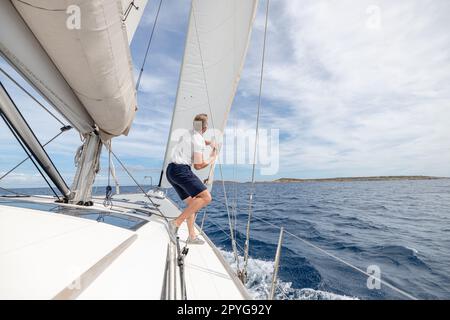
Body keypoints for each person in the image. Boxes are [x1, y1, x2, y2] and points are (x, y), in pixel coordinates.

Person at [166, 113, 217, 244]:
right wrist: (212, 158)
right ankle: (175, 223)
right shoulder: (198, 139)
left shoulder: (187, 133)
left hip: (171, 171)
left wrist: (209, 142)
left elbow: (197, 141)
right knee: (206, 197)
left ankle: (192, 236)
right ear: (205, 129)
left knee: (193, 203)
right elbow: (198, 166)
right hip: (181, 170)